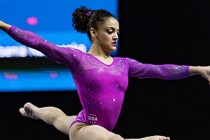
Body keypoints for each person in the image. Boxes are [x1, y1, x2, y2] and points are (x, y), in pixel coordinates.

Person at [0, 5, 210, 140]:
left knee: (58, 119)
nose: (116, 36)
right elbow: (39, 43)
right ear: (93, 32)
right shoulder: (79, 58)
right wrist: (2, 25)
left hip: (85, 123)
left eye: (118, 32)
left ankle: (35, 111)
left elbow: (160, 71)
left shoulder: (124, 64)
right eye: (110, 31)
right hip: (85, 129)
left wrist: (199, 69)